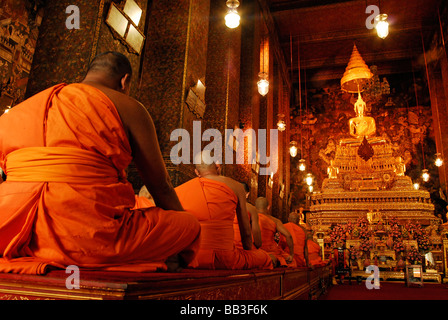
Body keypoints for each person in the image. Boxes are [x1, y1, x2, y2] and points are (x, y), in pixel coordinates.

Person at [0, 51, 201, 274]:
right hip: (85, 238)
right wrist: (184, 238)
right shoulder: (129, 107)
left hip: (10, 230)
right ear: (125, 81)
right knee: (188, 225)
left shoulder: (25, 108)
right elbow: (161, 186)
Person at [175, 152, 273, 270]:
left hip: (191, 258)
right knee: (265, 257)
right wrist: (249, 254)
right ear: (218, 166)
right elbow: (246, 233)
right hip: (226, 258)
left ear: (196, 172)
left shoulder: (181, 190)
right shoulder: (236, 186)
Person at [256, 197, 296, 267]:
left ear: (255, 207)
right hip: (270, 251)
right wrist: (291, 255)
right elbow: (288, 235)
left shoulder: (250, 217)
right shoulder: (275, 220)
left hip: (255, 251)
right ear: (268, 207)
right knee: (291, 262)